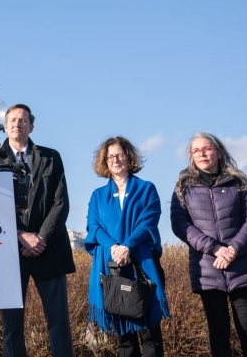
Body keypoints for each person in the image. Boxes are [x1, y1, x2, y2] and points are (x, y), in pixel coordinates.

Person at [0, 104, 75, 357]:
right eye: (13, 120)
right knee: (11, 327)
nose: (18, 124)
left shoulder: (51, 157)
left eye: (23, 120)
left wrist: (41, 238)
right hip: (9, 253)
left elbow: (61, 203)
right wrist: (19, 235)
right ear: (5, 126)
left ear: (31, 126)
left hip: (49, 249)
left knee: (59, 323)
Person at [171, 132, 247, 357]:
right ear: (191, 157)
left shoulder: (238, 182)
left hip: (241, 266)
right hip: (207, 269)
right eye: (196, 150)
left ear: (218, 152)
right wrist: (215, 248)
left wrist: (232, 249)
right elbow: (180, 225)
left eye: (207, 149)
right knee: (218, 330)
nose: (202, 153)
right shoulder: (184, 187)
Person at [84, 137, 169, 357]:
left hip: (142, 265)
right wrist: (114, 247)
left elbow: (148, 221)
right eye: (110, 156)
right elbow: (93, 226)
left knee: (150, 334)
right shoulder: (97, 196)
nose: (115, 160)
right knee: (124, 339)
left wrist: (127, 246)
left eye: (119, 154)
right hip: (112, 267)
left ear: (128, 156)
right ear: (105, 161)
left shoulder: (146, 189)